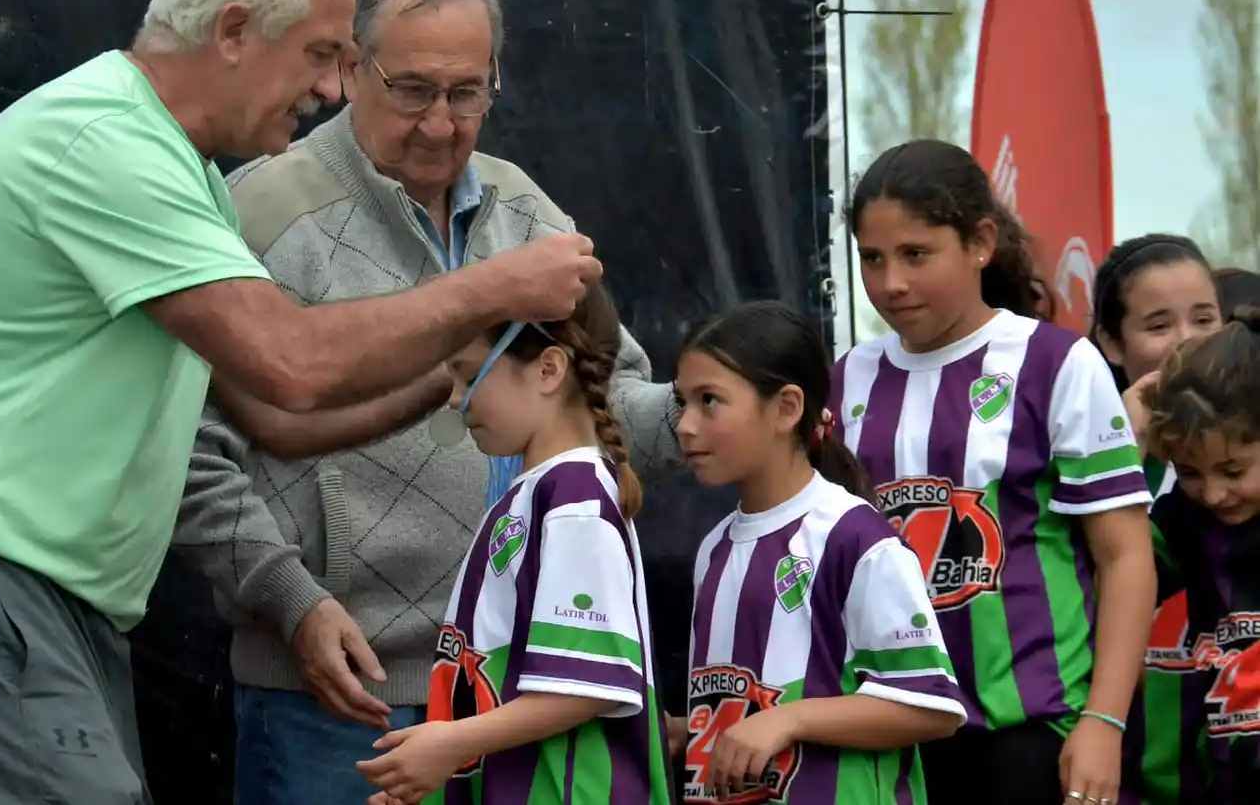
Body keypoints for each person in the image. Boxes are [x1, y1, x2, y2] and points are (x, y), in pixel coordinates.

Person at [0, 0, 605, 805]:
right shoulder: (108, 144)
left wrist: (460, 375)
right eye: (321, 54)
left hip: (38, 597)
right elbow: (292, 363)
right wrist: (495, 288)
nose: (330, 89)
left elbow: (275, 419)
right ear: (234, 30)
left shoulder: (176, 164)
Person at [174, 0, 683, 804]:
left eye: (466, 93)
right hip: (338, 701)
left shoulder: (527, 210)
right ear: (349, 68)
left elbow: (605, 397)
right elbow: (183, 448)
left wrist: (715, 411)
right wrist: (292, 601)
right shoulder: (259, 212)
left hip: (514, 701)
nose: (442, 124)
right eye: (412, 90)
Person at [830, 139, 1157, 805]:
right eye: (872, 257)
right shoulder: (847, 378)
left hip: (1033, 731)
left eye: (916, 254)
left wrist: (1104, 720)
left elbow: (1124, 556)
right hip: (891, 733)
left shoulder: (1057, 363)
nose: (890, 282)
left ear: (980, 243)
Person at [353, 280, 671, 805]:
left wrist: (449, 745)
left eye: (469, 374)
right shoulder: (533, 494)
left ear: (548, 369)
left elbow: (585, 688)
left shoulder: (575, 500)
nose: (454, 399)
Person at [667, 301, 964, 803]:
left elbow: (931, 706)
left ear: (786, 408)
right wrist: (690, 730)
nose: (685, 425)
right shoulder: (714, 548)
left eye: (709, 400)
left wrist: (789, 720)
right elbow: (741, 703)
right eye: (682, 402)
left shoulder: (856, 538)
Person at [1087, 235, 1220, 805]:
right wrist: (1126, 445)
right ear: (1111, 342)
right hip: (1138, 763)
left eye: (1204, 318)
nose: (1187, 340)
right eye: (1159, 325)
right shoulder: (1087, 453)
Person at [1143, 309, 1260, 803]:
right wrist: (1129, 444)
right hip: (1212, 771)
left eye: (1233, 471)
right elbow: (1113, 571)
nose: (1213, 494)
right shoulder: (1182, 522)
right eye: (1189, 472)